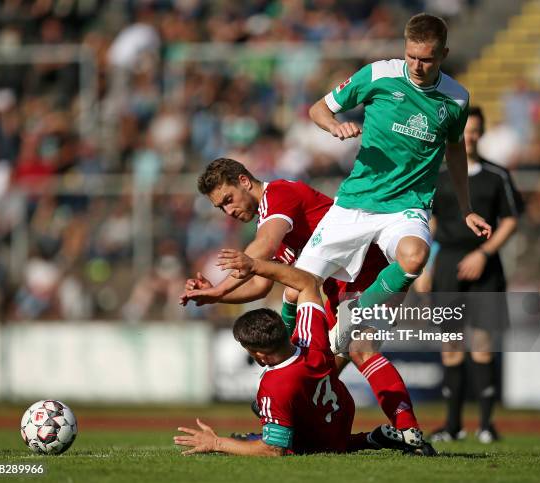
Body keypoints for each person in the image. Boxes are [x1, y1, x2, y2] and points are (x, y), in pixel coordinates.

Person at [180, 158, 421, 432]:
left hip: (367, 274)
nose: (228, 210)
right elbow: (260, 285)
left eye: (228, 199)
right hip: (341, 286)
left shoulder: (279, 195)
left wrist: (219, 287)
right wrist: (215, 297)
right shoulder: (276, 224)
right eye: (220, 207)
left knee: (357, 350)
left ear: (244, 182)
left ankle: (407, 429)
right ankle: (291, 427)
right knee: (320, 367)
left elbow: (263, 248)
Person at [294, 13, 492, 318]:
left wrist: (466, 208)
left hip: (407, 207)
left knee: (414, 258)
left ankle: (355, 314)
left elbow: (455, 150)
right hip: (357, 201)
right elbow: (318, 109)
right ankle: (285, 359)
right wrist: (335, 126)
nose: (416, 66)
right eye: (411, 56)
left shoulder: (456, 99)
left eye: (426, 59)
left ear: (444, 54)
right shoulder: (378, 74)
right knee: (297, 289)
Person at [174, 249, 435, 456]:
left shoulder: (275, 384)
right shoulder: (312, 339)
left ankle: (380, 435)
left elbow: (273, 449)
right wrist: (256, 267)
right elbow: (307, 284)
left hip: (319, 435)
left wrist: (218, 443)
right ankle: (375, 437)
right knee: (344, 345)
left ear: (260, 355)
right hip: (340, 415)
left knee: (278, 429)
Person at [423, 106, 523, 443]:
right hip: (448, 263)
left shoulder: (497, 175)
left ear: (483, 133)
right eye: (466, 131)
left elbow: (510, 219)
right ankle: (452, 426)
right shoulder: (438, 175)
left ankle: (486, 425)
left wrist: (483, 253)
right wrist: (426, 265)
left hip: (485, 267)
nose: (471, 137)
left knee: (482, 344)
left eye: (477, 130)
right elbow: (430, 223)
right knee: (450, 345)